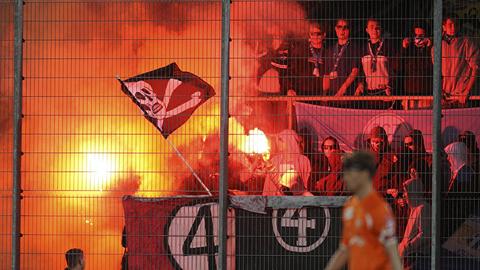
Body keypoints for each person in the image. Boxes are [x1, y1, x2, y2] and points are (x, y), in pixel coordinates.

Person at [324, 151, 402, 270]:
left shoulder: (380, 208)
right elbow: (345, 248)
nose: (346, 178)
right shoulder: (351, 207)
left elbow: (390, 247)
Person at [441, 142, 480, 268]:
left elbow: (461, 203)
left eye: (449, 156)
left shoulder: (464, 175)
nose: (447, 159)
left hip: (459, 227)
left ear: (455, 155)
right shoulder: (464, 173)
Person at [356, 18, 399, 109]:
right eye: (371, 27)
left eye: (377, 28)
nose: (375, 30)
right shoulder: (363, 49)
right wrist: (361, 83)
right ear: (367, 30)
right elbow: (361, 71)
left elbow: (395, 68)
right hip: (368, 94)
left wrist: (390, 86)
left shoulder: (389, 46)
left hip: (384, 93)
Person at [440, 16, 479, 107]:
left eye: (456, 25)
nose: (454, 28)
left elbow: (476, 68)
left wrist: (467, 90)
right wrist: (440, 91)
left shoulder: (467, 42)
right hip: (446, 97)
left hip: (463, 96)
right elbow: (438, 73)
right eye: (450, 25)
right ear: (444, 27)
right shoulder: (438, 45)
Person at [263, 129, 313, 196]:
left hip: (295, 200)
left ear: (289, 141)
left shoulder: (303, 160)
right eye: (278, 139)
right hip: (276, 200)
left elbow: (306, 182)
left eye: (281, 140)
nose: (278, 142)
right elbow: (268, 184)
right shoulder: (274, 160)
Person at [397, 176, 431, 270]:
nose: (404, 195)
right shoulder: (414, 209)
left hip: (418, 259)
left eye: (406, 191)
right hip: (410, 256)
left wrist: (408, 246)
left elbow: (425, 234)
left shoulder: (423, 208)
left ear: (413, 192)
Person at [324, 19, 360, 103]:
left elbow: (354, 72)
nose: (342, 30)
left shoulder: (354, 48)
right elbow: (326, 75)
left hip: (348, 96)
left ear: (349, 30)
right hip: (332, 97)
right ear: (335, 29)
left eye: (345, 27)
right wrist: (324, 95)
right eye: (339, 27)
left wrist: (341, 91)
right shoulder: (330, 50)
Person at [289, 21, 328, 96]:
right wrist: (290, 88)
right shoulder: (300, 51)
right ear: (309, 35)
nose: (315, 36)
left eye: (318, 34)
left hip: (320, 95)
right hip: (301, 94)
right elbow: (291, 72)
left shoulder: (328, 53)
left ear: (324, 35)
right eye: (312, 34)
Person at [400, 22, 433, 109]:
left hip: (427, 94)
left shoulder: (431, 49)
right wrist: (404, 48)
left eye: (421, 35)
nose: (418, 38)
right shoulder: (409, 50)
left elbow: (432, 65)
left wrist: (429, 47)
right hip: (409, 94)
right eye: (416, 35)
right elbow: (398, 66)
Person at [366, 126, 398, 193]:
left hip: (386, 195)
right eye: (373, 141)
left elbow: (395, 178)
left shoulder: (391, 156)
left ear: (384, 141)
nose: (376, 144)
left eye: (378, 141)